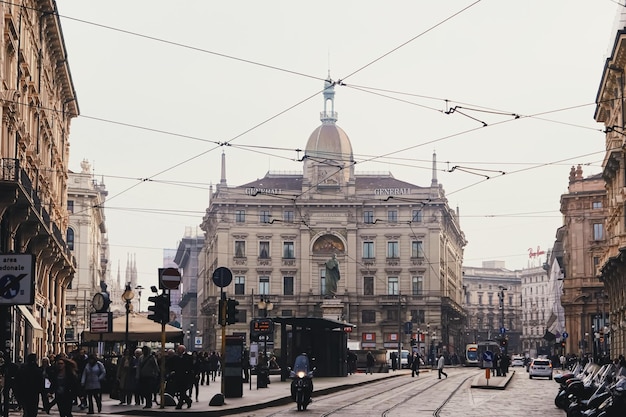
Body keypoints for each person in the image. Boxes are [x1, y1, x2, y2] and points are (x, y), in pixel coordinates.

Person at [15, 353, 44, 417]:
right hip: (34, 393)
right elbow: (41, 383)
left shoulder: (22, 369)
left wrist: (18, 393)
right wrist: (42, 392)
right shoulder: (37, 370)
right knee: (33, 411)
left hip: (24, 392)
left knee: (26, 410)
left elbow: (17, 381)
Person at [172, 345, 193, 410]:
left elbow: (190, 366)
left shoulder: (188, 357)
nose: (178, 350)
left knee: (182, 391)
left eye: (179, 349)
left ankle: (180, 404)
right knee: (181, 391)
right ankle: (188, 400)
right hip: (178, 376)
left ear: (183, 350)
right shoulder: (176, 357)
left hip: (185, 377)